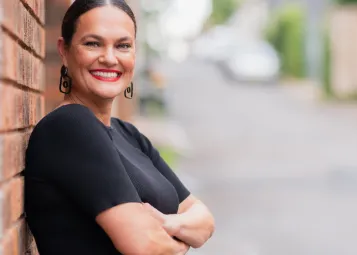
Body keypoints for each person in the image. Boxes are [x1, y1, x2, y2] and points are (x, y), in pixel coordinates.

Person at [23, 0, 215, 254]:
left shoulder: (129, 134)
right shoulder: (68, 127)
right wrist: (181, 240)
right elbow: (145, 246)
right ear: (64, 50)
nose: (109, 58)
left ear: (134, 54)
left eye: (123, 46)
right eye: (93, 43)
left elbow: (204, 220)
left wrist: (166, 225)